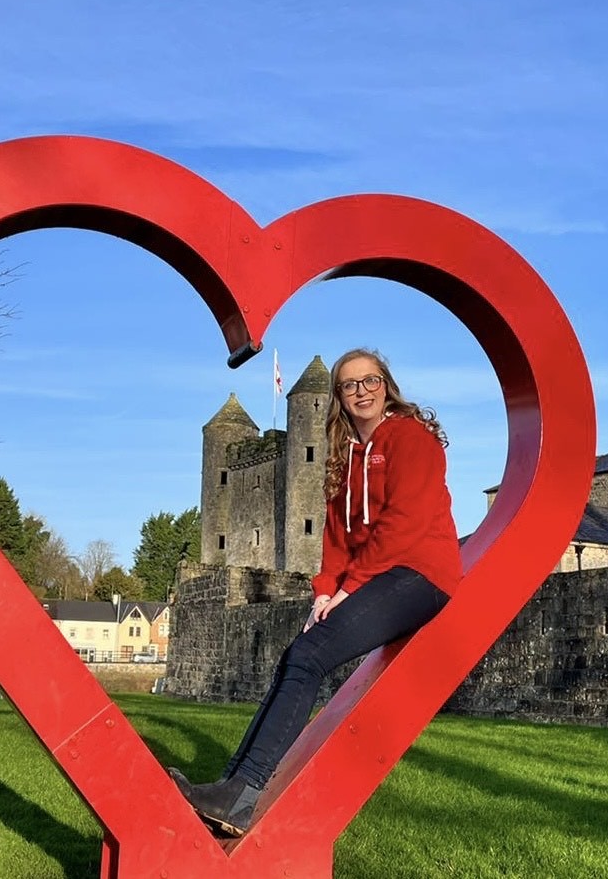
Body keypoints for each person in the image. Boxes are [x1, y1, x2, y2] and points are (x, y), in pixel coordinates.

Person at [172, 347, 463, 836]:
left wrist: (351, 588)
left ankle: (241, 795)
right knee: (296, 656)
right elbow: (336, 540)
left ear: (386, 385)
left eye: (370, 381)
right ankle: (231, 788)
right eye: (349, 385)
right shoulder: (343, 459)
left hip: (420, 575)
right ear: (338, 398)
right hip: (377, 576)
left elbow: (402, 526)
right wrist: (325, 591)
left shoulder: (411, 439)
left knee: (309, 657)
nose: (361, 391)